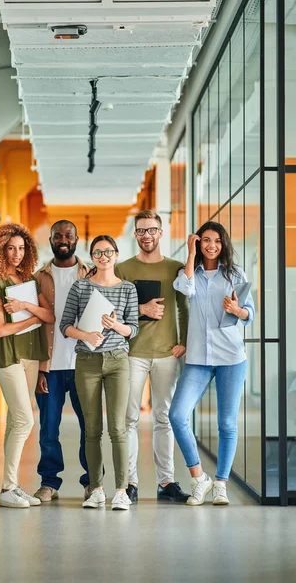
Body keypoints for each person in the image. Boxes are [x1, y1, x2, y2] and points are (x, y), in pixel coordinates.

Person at [169, 221, 254, 506]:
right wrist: (191, 256)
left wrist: (236, 309)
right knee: (178, 415)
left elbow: (249, 314)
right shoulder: (188, 273)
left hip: (231, 357)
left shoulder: (235, 274)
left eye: (216, 241)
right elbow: (184, 288)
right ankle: (199, 478)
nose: (211, 245)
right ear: (198, 242)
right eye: (205, 240)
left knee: (227, 423)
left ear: (224, 243)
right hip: (197, 358)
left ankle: (220, 484)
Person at [115, 209, 190, 503]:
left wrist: (183, 342)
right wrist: (142, 309)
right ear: (135, 234)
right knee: (129, 418)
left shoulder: (175, 268)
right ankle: (130, 483)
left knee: (164, 418)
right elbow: (113, 312)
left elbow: (184, 308)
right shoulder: (123, 269)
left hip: (166, 354)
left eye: (152, 230)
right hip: (132, 353)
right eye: (141, 230)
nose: (147, 235)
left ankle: (166, 482)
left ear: (161, 233)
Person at [60, 235, 139, 510]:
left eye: (108, 251)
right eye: (97, 252)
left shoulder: (128, 288)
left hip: (118, 361)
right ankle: (96, 490)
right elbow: (65, 326)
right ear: (92, 257)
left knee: (118, 428)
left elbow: (133, 329)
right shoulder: (80, 287)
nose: (103, 256)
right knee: (92, 429)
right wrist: (87, 335)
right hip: (87, 362)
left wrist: (116, 326)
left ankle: (121, 491)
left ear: (116, 254)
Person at [0, 223, 55, 509]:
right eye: (11, 248)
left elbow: (48, 315)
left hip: (31, 356)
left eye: (21, 248)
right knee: (25, 420)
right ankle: (9, 487)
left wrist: (28, 312)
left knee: (16, 420)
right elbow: (1, 330)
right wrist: (31, 318)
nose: (16, 253)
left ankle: (9, 486)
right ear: (1, 249)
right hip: (9, 358)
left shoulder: (28, 280)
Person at [33, 220, 91, 502]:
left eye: (69, 235)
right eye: (58, 236)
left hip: (84, 364)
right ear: (51, 239)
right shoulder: (38, 277)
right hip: (49, 367)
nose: (63, 239)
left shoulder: (90, 273)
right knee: (48, 429)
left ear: (77, 239)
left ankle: (92, 481)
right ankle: (49, 483)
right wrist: (38, 369)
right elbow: (32, 324)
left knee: (89, 428)